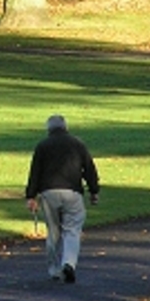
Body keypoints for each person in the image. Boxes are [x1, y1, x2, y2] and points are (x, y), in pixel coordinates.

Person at [25, 114, 100, 283]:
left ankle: (54, 270)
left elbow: (35, 172)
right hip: (72, 192)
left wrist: (31, 196)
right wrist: (94, 191)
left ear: (48, 129)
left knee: (53, 231)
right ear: (66, 127)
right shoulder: (78, 144)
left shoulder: (42, 146)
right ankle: (69, 264)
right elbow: (89, 169)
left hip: (48, 193)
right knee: (72, 230)